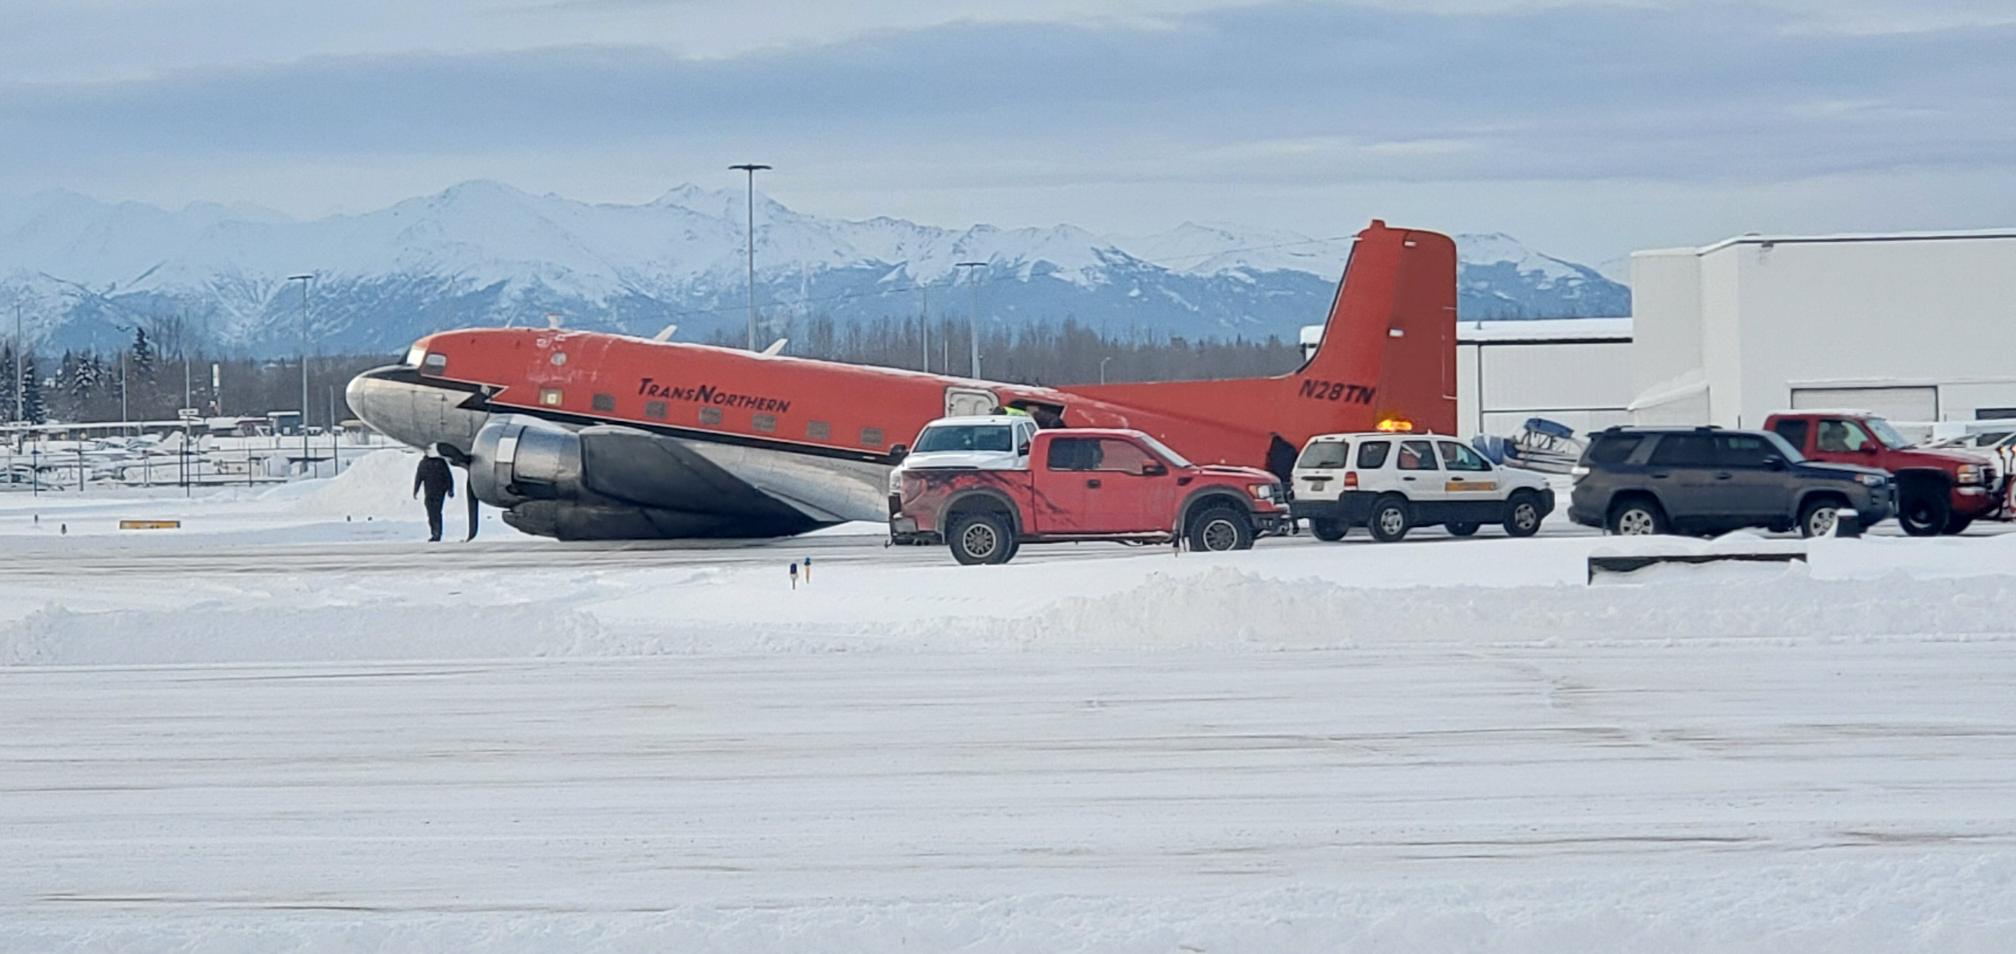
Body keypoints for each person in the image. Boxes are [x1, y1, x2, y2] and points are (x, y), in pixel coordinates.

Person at [413, 445, 456, 542]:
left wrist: (450, 489)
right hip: (432, 492)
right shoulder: (427, 463)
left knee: (435, 512)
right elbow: (419, 478)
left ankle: (436, 533)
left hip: (437, 492)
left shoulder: (438, 463)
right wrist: (415, 490)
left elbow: (448, 476)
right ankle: (435, 532)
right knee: (433, 513)